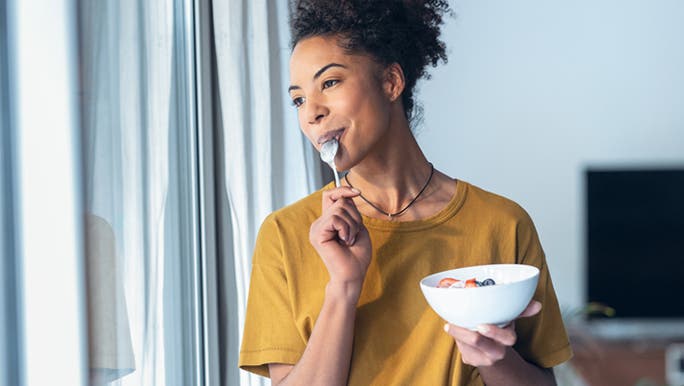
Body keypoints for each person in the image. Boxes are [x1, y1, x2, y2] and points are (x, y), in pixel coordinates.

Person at [238, 1, 572, 385]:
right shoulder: (285, 234)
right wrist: (344, 287)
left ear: (391, 82)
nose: (311, 112)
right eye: (298, 99)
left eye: (329, 83)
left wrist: (495, 360)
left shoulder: (502, 223)